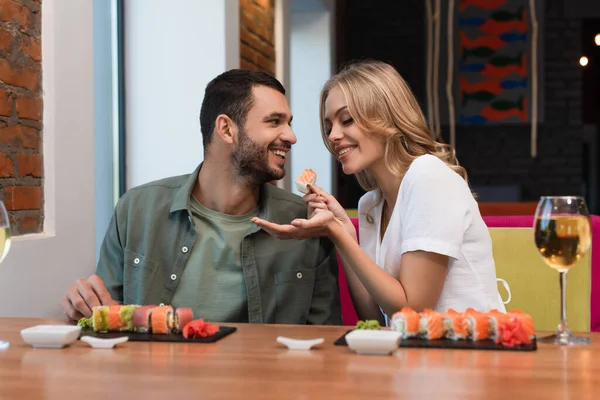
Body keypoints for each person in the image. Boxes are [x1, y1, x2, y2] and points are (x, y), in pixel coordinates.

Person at [61, 69, 342, 325]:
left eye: (289, 123)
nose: (291, 136)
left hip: (263, 380)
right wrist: (85, 307)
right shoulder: (136, 210)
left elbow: (326, 340)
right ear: (226, 129)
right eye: (274, 122)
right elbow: (106, 319)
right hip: (156, 378)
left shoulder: (305, 223)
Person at [252, 60, 506, 326]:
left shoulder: (428, 176)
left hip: (471, 354)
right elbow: (376, 317)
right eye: (329, 127)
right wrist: (344, 232)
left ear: (386, 117)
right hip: (415, 358)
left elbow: (414, 315)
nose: (334, 136)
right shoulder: (371, 204)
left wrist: (339, 233)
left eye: (347, 119)